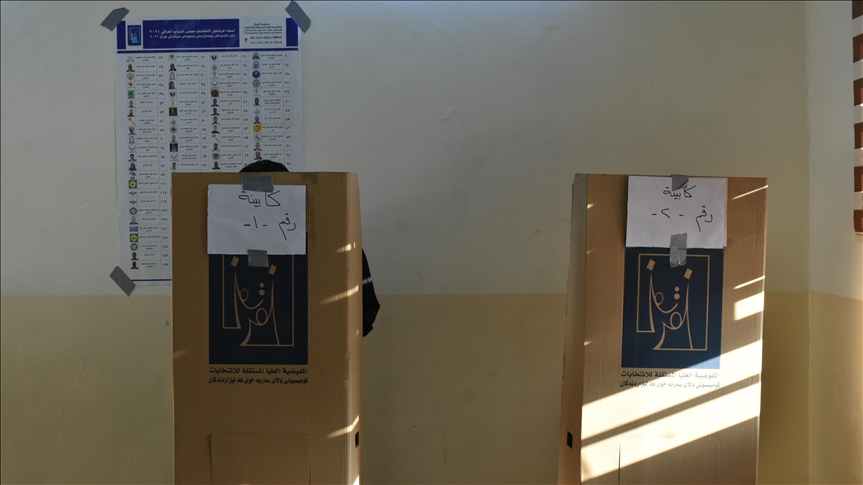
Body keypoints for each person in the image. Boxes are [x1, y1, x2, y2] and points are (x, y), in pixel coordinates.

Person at [239, 160, 380, 336]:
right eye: (253, 201)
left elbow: (364, 310)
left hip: (319, 346)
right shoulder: (227, 248)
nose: (262, 208)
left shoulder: (333, 243)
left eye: (270, 199)